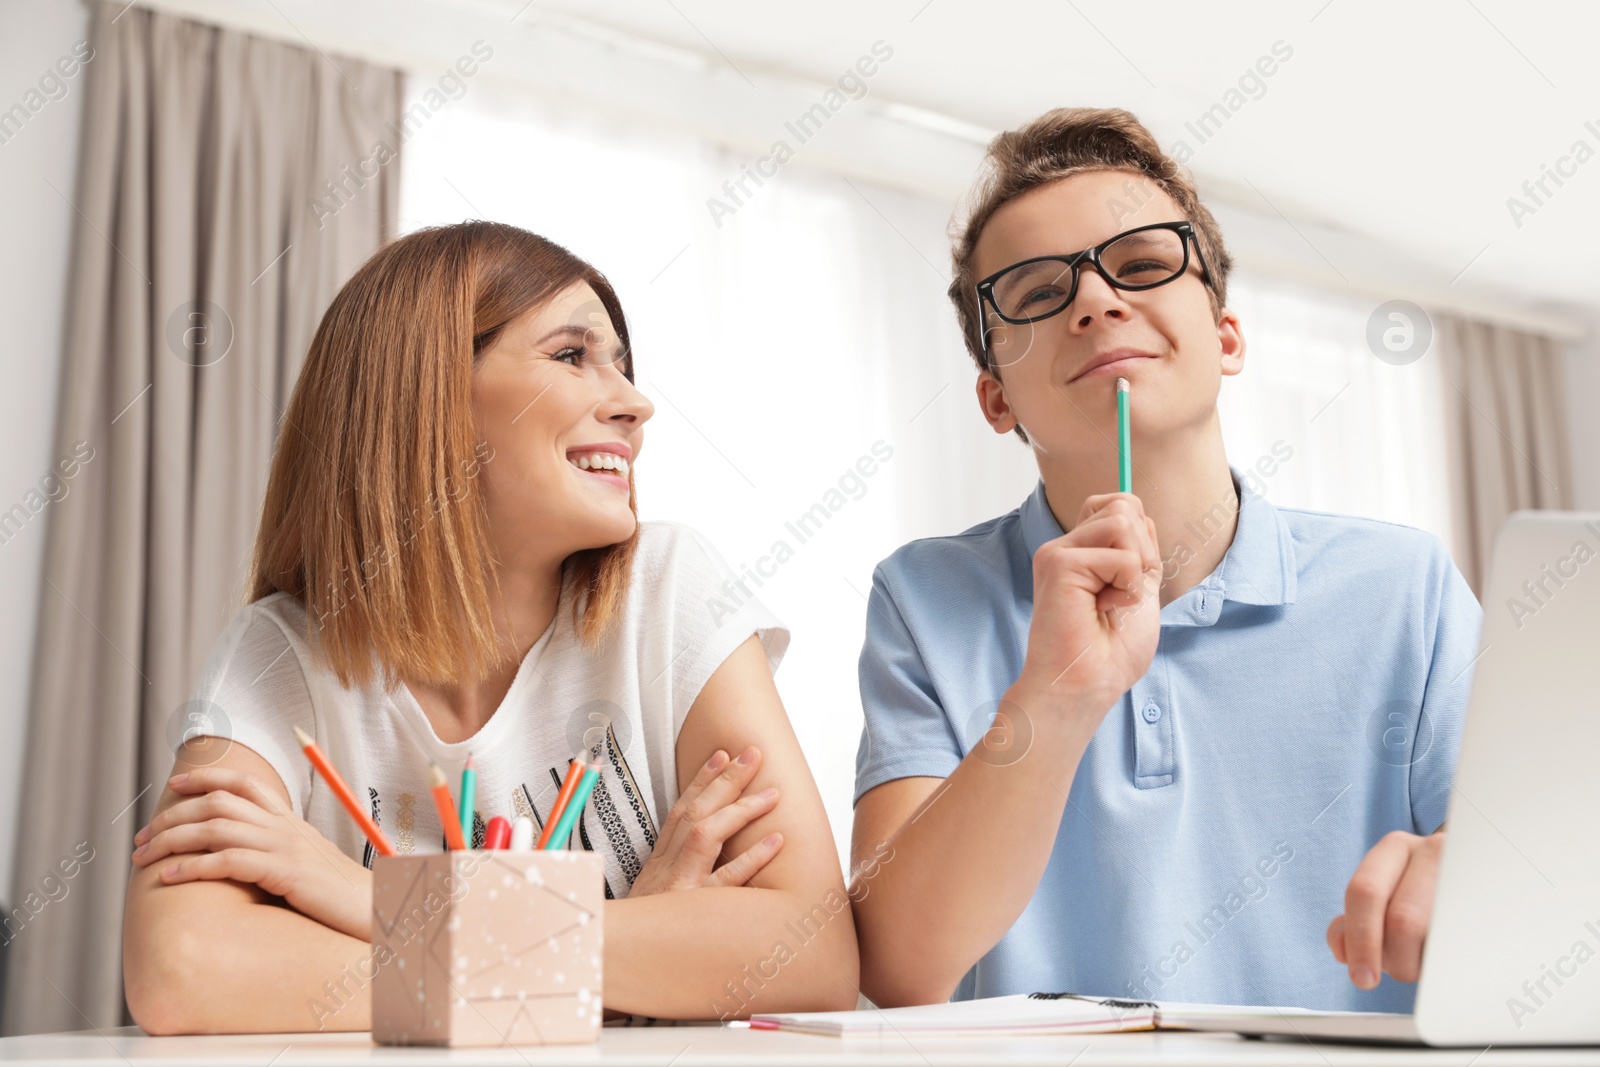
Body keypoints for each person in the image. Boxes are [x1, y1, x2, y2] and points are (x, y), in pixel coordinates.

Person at [122, 221, 858, 1033]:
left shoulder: (673, 590)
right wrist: (619, 961)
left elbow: (810, 949)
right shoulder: (281, 653)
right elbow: (182, 970)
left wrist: (376, 902)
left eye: (621, 361)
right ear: (427, 393)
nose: (635, 403)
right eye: (573, 355)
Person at [849, 108, 1482, 1012]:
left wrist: (1478, 868)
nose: (1097, 301)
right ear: (997, 400)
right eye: (1034, 292)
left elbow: (1545, 872)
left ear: (1226, 338)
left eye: (1143, 266)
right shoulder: (923, 599)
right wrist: (1056, 697)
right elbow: (897, 966)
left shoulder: (1405, 591)